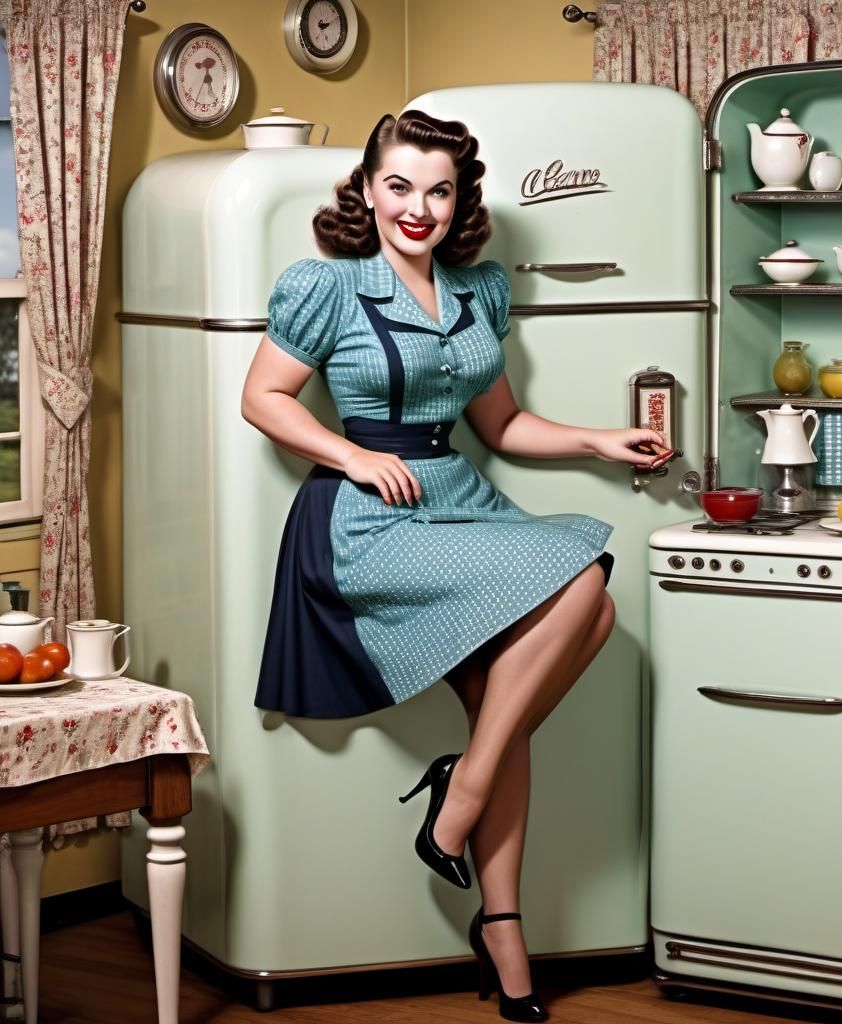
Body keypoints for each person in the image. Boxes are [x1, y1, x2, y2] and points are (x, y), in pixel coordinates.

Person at [241, 110, 670, 1022]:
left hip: (458, 499)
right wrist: (352, 456)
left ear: (457, 201)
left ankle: (499, 919)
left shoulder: (477, 293)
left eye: (437, 190)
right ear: (366, 190)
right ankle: (463, 792)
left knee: (551, 652)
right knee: (584, 580)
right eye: (399, 186)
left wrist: (599, 438)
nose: (418, 207)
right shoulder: (328, 286)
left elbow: (503, 427)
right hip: (368, 517)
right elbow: (262, 396)